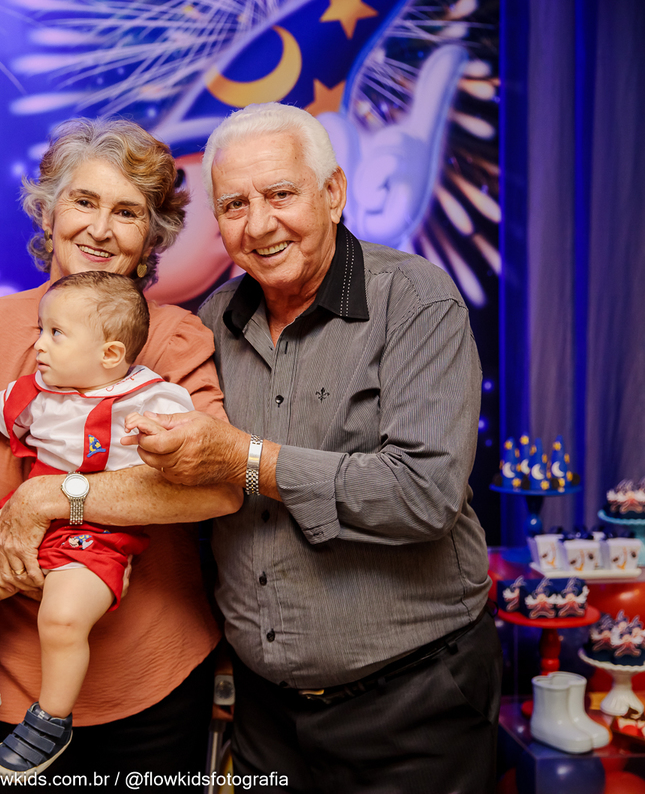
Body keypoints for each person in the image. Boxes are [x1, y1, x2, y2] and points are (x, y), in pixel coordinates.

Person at [125, 102, 499, 793]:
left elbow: (425, 494)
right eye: (234, 205)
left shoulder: (415, 300)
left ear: (333, 193)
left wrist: (247, 461)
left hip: (413, 703)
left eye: (280, 194)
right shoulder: (212, 322)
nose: (258, 224)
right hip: (264, 713)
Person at [0, 118, 240, 791]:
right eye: (83, 201)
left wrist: (52, 500)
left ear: (153, 237)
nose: (100, 229)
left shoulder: (175, 339)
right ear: (48, 214)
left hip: (149, 680)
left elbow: (217, 485)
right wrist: (25, 563)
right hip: (1, 686)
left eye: (127, 212)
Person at [0, 271, 195, 777]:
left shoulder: (150, 396)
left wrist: (160, 436)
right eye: (41, 329)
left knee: (62, 618)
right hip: (26, 529)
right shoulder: (40, 394)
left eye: (56, 334)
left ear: (110, 354)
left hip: (99, 537)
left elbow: (191, 438)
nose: (39, 344)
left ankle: (52, 717)